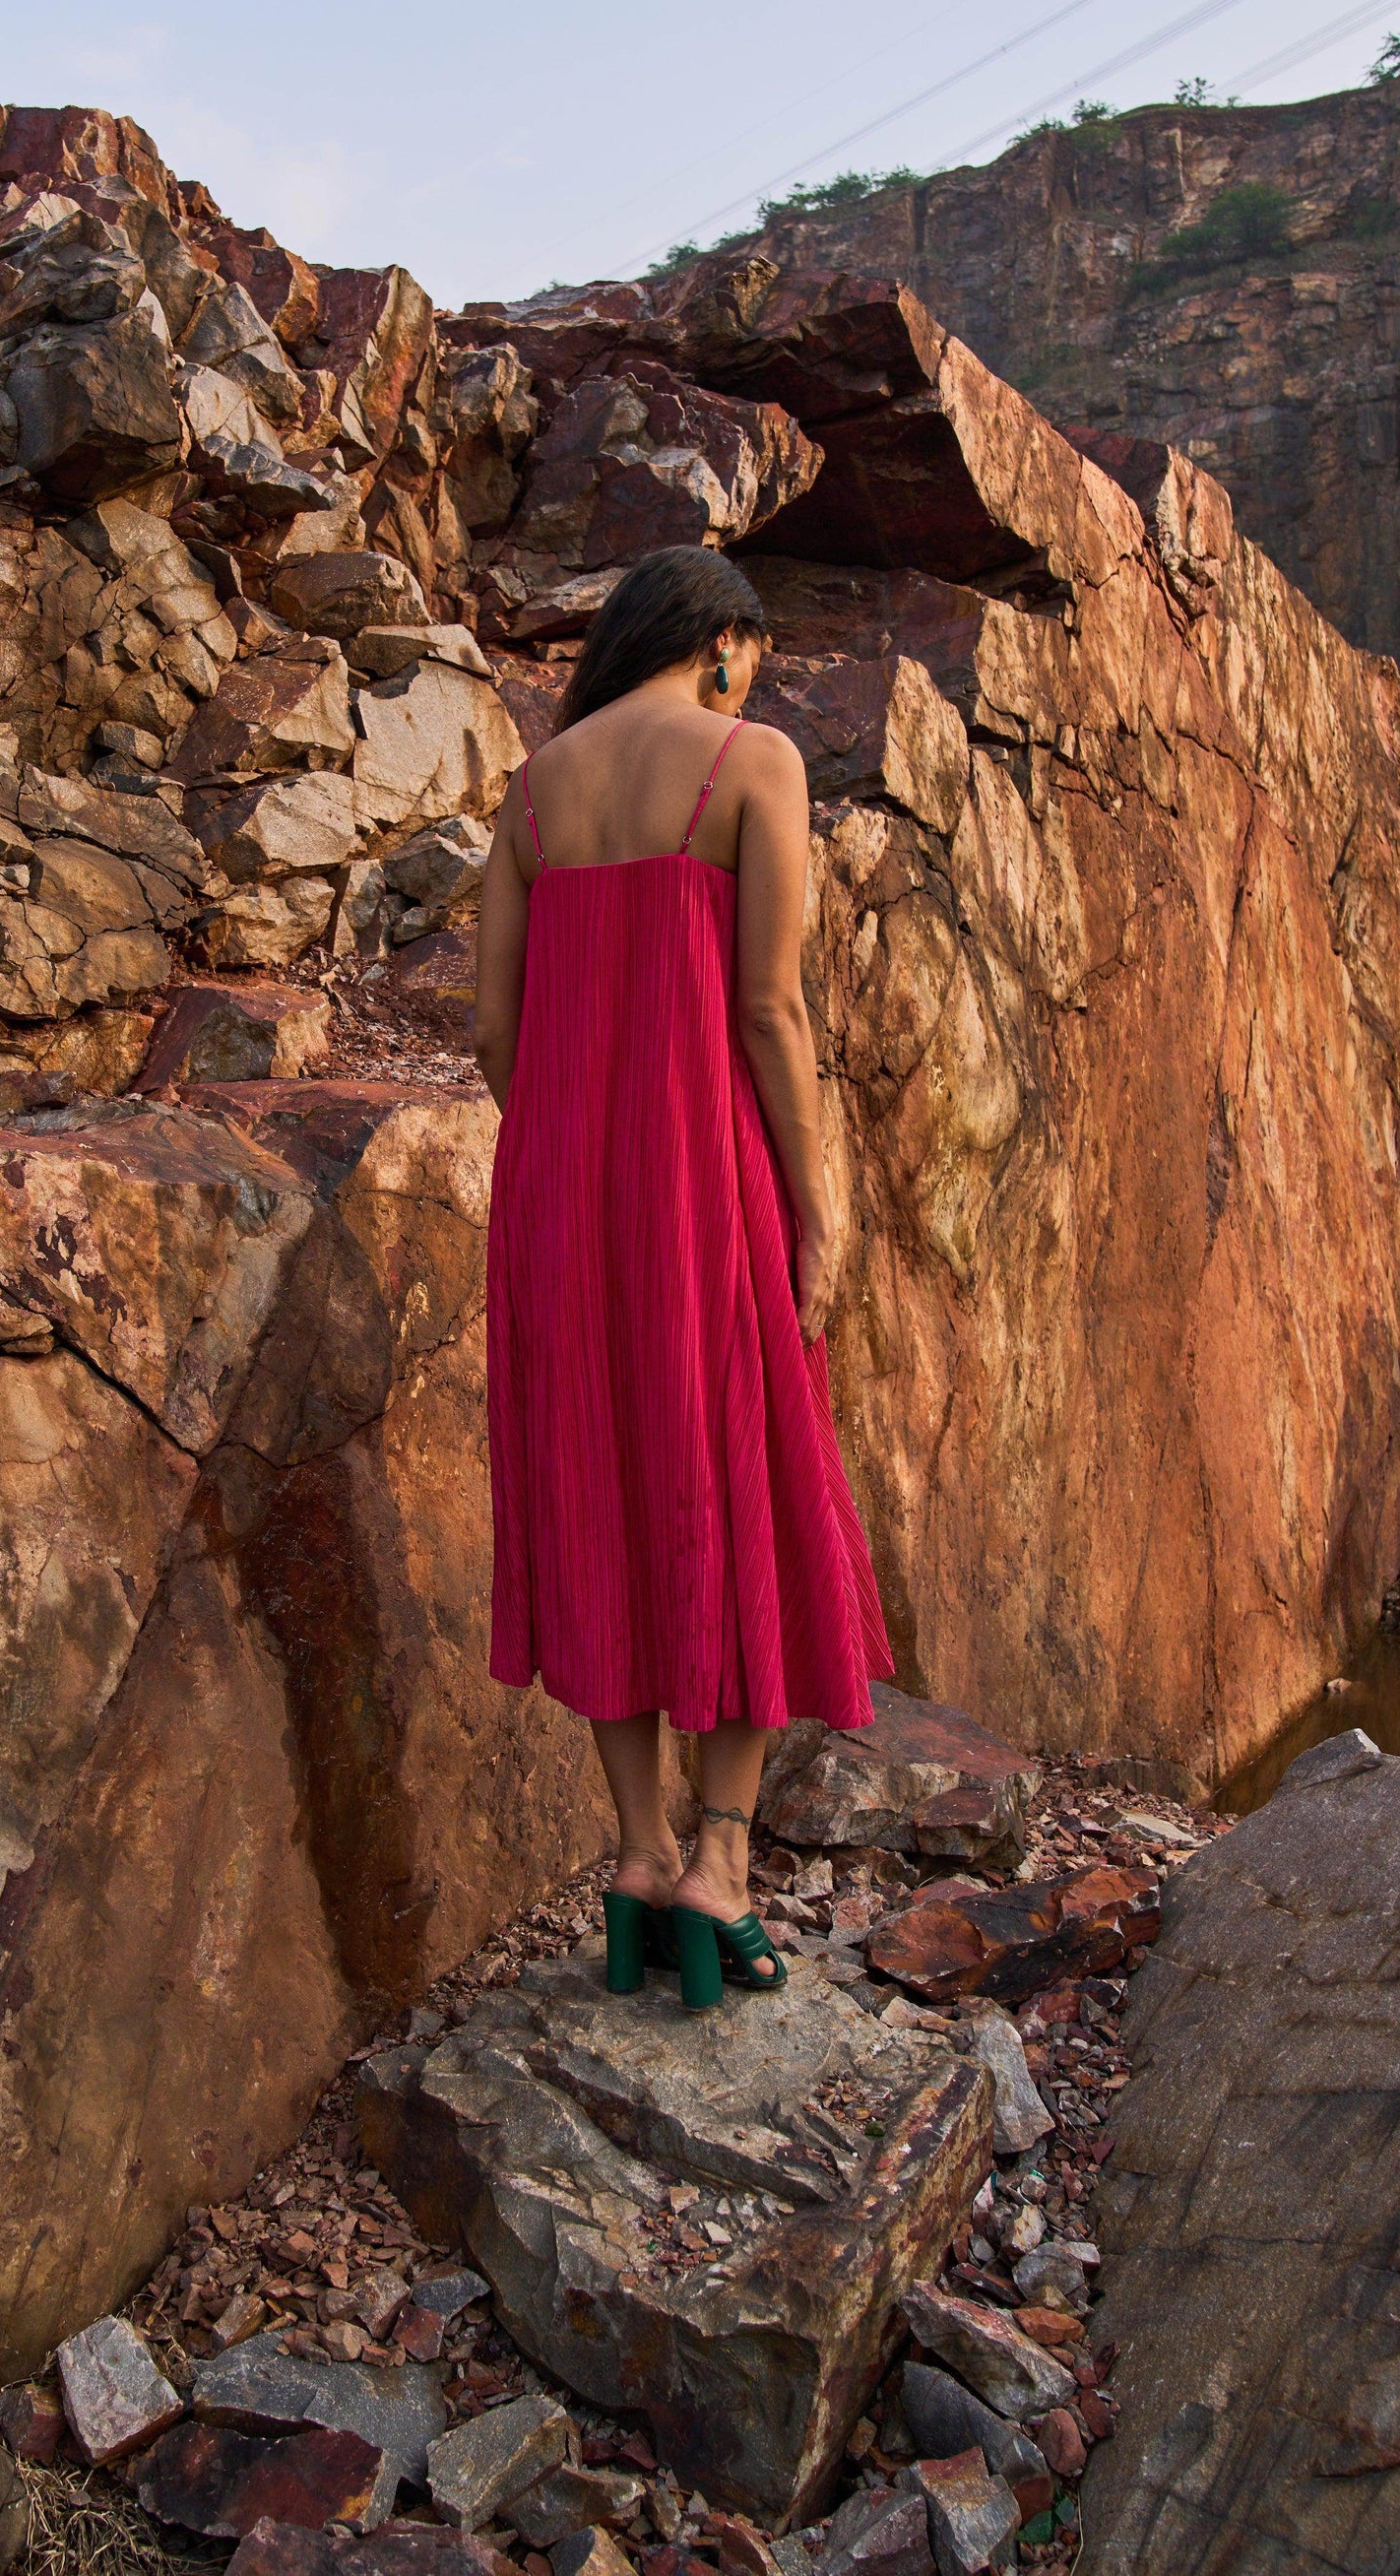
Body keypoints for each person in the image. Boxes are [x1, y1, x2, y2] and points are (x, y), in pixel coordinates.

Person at [475, 546, 891, 2012]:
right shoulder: (747, 758)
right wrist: (814, 1198)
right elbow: (770, 1007)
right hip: (695, 1176)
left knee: (594, 1489)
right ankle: (720, 1862)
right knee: (743, 1483)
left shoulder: (534, 789)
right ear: (722, 644)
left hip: (554, 1194)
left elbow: (493, 1030)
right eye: (750, 660)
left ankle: (637, 1856)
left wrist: (570, 1136)